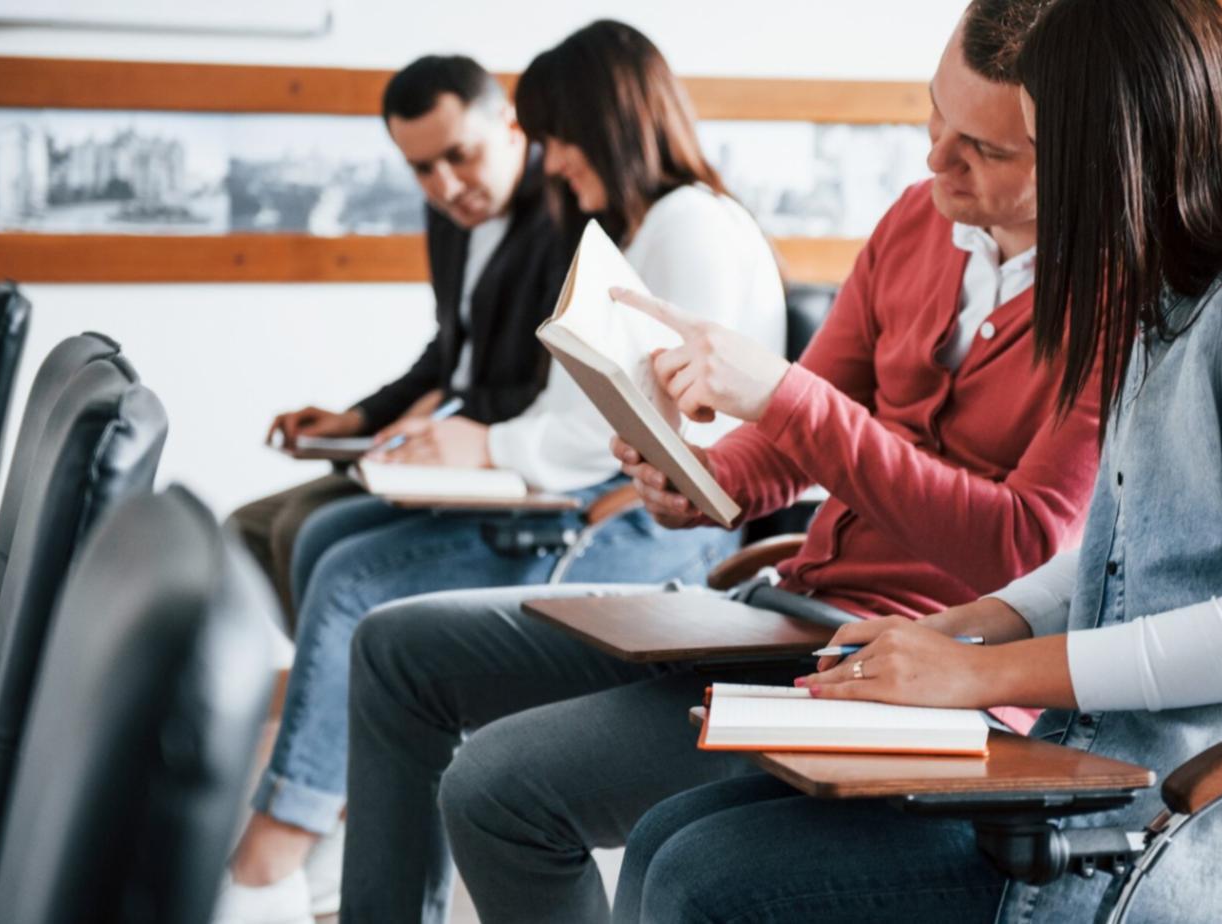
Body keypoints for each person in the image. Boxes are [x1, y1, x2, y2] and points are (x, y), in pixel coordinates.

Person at [615, 0, 1222, 920]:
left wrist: (981, 677)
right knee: (672, 836)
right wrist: (968, 627)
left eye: (1036, 151)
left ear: (1129, 141)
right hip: (1133, 777)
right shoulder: (1182, 295)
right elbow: (1131, 549)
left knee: (703, 875)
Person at [341, 4, 1098, 921]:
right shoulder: (913, 222)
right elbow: (792, 438)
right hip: (784, 606)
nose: (936, 161)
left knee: (496, 790)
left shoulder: (1112, 293)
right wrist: (703, 482)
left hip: (907, 664)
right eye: (936, 118)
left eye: (984, 151)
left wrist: (787, 400)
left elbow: (1021, 547)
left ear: (1084, 154)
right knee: (395, 647)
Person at [214, 21, 786, 924]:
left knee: (355, 575)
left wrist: (491, 447)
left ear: (603, 125)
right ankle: (323, 816)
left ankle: (283, 846)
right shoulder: (646, 226)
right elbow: (559, 398)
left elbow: (652, 428)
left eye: (554, 137)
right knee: (323, 541)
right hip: (592, 492)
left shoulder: (684, 228)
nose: (549, 162)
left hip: (630, 523)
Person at [227, 54, 570, 629]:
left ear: (512, 127)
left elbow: (552, 387)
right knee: (245, 528)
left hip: (511, 456)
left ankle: (357, 692)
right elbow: (448, 353)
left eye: (460, 156)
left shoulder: (567, 214)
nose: (446, 186)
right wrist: (357, 418)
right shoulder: (448, 216)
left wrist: (445, 414)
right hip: (439, 447)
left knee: (298, 529)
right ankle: (350, 688)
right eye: (422, 169)